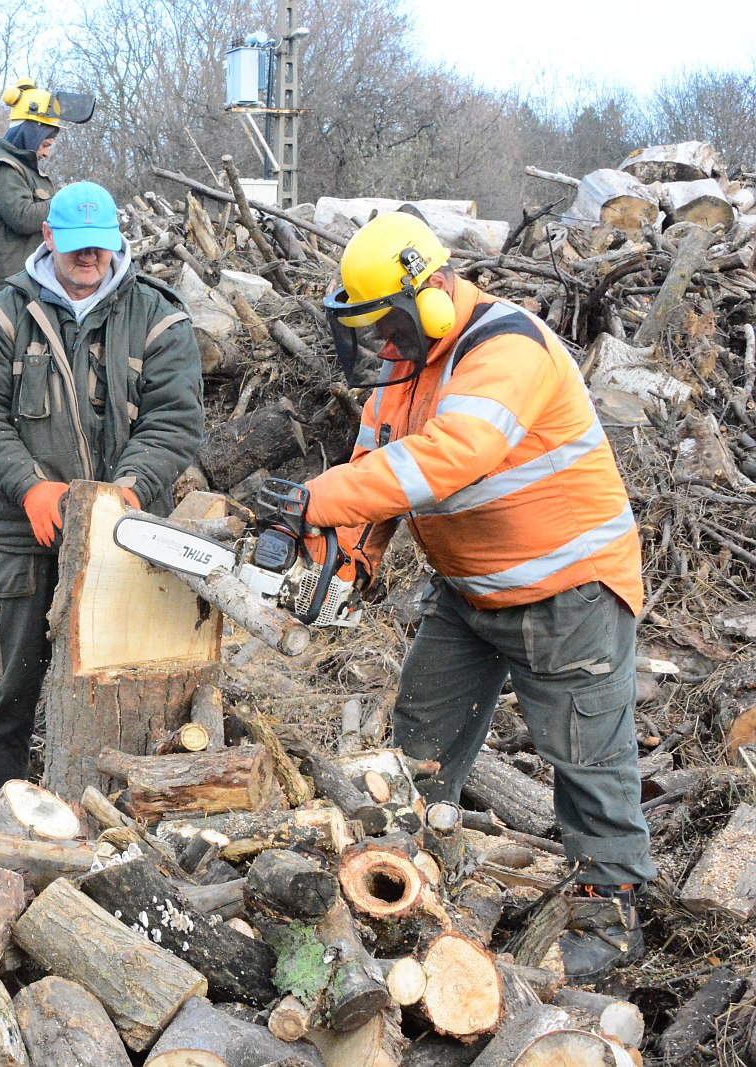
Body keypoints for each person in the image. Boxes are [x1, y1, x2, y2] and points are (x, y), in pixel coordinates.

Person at [307, 210, 654, 982]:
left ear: (431, 295)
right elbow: (374, 473)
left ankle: (612, 913)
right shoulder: (404, 373)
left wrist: (318, 496)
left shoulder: (505, 347)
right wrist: (347, 556)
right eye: (371, 331)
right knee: (417, 743)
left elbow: (450, 457)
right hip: (468, 592)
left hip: (569, 590)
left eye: (389, 325)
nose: (384, 344)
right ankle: (411, 879)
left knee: (587, 759)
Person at [0, 180, 204, 788]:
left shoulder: (159, 316)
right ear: (47, 238)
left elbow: (175, 421)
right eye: (76, 246)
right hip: (25, 532)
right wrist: (29, 486)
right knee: (8, 690)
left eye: (100, 245)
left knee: (127, 683)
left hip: (132, 533)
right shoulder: (3, 316)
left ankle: (116, 813)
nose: (89, 258)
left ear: (117, 240)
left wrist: (130, 494)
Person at [0, 79, 93, 298]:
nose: (46, 153)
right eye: (45, 144)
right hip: (6, 292)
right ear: (31, 134)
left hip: (26, 284)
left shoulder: (21, 168)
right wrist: (65, 200)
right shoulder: (3, 168)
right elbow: (24, 217)